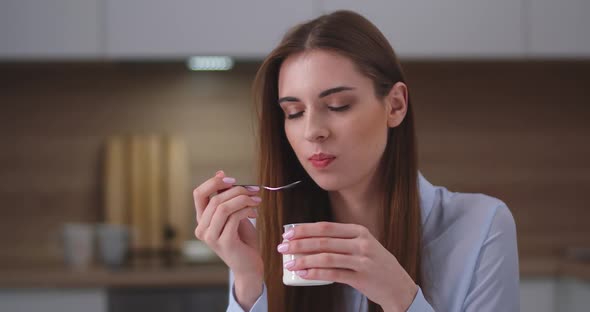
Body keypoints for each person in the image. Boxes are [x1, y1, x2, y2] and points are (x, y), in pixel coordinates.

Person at [193, 10, 519, 312]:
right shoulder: (263, 237)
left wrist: (402, 298)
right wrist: (249, 282)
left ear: (395, 106)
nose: (312, 131)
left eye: (337, 106)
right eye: (294, 112)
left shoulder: (481, 226)